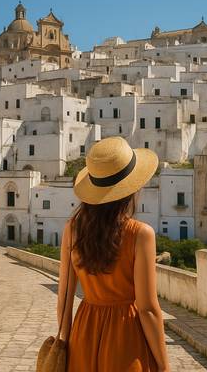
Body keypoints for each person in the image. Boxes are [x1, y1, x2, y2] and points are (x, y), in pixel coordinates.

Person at [57, 136, 169, 372]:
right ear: (131, 188)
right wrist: (164, 365)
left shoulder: (72, 229)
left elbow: (64, 300)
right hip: (125, 336)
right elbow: (147, 308)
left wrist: (63, 348)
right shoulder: (140, 234)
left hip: (84, 332)